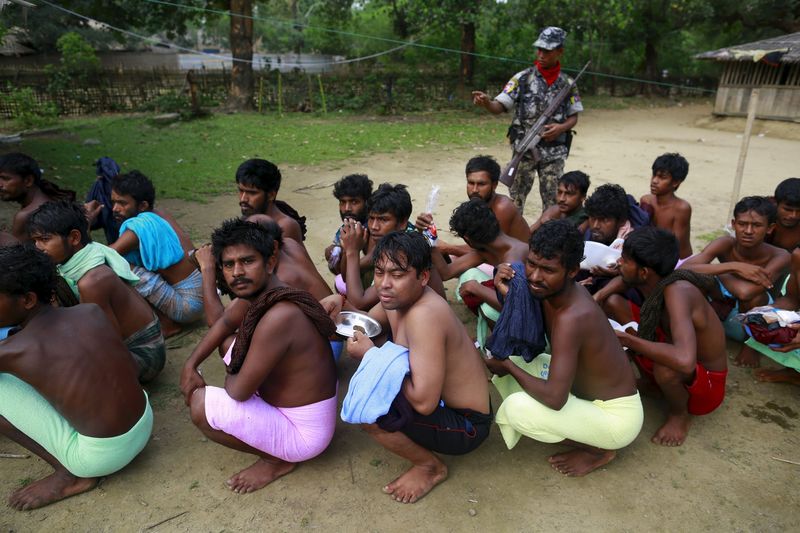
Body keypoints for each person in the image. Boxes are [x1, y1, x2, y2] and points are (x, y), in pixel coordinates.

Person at [180, 219, 337, 494]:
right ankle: (274, 448)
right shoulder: (264, 292)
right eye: (228, 265)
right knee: (230, 342)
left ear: (271, 259)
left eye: (247, 261)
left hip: (304, 433)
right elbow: (225, 323)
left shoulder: (280, 315)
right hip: (295, 408)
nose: (237, 272)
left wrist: (236, 362)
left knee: (200, 404)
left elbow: (239, 391)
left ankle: (276, 460)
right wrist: (191, 364)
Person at [485, 220, 642, 476]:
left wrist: (507, 367)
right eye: (531, 264)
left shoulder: (573, 316)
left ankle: (599, 449)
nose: (535, 276)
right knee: (519, 360)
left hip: (616, 419)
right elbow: (526, 321)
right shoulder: (552, 292)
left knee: (517, 408)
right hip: (585, 396)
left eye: (547, 269)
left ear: (572, 271)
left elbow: (555, 399)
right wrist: (506, 289)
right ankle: (583, 431)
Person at [343, 231, 491, 503]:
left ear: (422, 277)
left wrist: (371, 357)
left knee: (369, 409)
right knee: (372, 388)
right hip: (442, 403)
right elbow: (363, 324)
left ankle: (430, 467)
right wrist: (336, 306)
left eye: (397, 275)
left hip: (467, 425)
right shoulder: (396, 299)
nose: (384, 284)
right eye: (379, 272)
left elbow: (423, 403)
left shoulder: (425, 314)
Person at [0, 245, 152, 510]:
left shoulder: (16, 351)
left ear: (27, 300)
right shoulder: (89, 311)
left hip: (100, 457)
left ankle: (68, 475)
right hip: (144, 422)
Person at [608, 227, 727, 446]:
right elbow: (621, 283)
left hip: (707, 384)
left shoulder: (678, 291)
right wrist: (597, 297)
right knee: (615, 304)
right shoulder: (655, 279)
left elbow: (684, 360)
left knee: (666, 367)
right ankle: (651, 384)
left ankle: (679, 414)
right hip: (677, 352)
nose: (619, 263)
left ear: (644, 272)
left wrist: (627, 339)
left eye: (625, 260)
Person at [28, 201, 166, 383]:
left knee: (59, 367)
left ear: (74, 238)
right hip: (118, 341)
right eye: (35, 240)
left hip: (144, 353)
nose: (38, 247)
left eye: (44, 239)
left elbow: (107, 342)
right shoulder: (83, 255)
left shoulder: (92, 281)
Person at [472, 27, 583, 212]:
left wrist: (561, 128)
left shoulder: (568, 84)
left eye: (547, 50)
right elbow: (499, 106)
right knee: (514, 203)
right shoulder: (522, 78)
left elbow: (574, 117)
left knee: (554, 204)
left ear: (560, 51)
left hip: (554, 153)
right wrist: (487, 103)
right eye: (539, 49)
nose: (541, 54)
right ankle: (513, 238)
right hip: (524, 151)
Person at [682, 196, 790, 364]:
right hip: (719, 313)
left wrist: (716, 272)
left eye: (756, 225)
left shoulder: (780, 256)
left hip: (752, 320)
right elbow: (683, 269)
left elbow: (746, 293)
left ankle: (752, 346)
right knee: (691, 282)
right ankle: (696, 339)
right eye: (742, 224)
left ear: (770, 228)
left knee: (755, 297)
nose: (748, 231)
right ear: (733, 224)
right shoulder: (725, 244)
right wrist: (734, 266)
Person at [110, 170, 203, 337]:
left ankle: (166, 324)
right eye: (114, 202)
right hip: (205, 295)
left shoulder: (138, 228)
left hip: (187, 306)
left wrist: (85, 225)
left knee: (117, 265)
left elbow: (106, 254)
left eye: (122, 203)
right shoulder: (160, 215)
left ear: (142, 206)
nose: (115, 209)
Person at [195, 217, 332, 329]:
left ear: (271, 247)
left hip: (328, 342)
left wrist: (207, 269)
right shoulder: (290, 243)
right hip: (327, 332)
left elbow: (218, 323)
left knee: (228, 344)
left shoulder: (280, 280)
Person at [340, 183, 445, 310]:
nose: (374, 226)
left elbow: (359, 303)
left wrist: (352, 251)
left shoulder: (405, 249)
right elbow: (347, 276)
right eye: (371, 218)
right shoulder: (385, 239)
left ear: (402, 223)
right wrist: (348, 250)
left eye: (383, 220)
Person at [415, 155, 529, 256]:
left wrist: (448, 248)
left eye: (481, 184)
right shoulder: (477, 205)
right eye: (471, 183)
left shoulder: (502, 207)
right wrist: (423, 230)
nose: (474, 190)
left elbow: (490, 253)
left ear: (494, 185)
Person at [739, 247, 800, 382]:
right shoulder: (798, 255)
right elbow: (792, 299)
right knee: (772, 324)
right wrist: (765, 312)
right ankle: (795, 372)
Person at [0, 152, 76, 242]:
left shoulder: (25, 216)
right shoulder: (49, 200)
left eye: (5, 179)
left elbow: (14, 254)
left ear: (28, 181)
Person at [235, 158, 307, 243]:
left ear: (271, 195)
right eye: (241, 191)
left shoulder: (285, 227)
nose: (243, 199)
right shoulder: (247, 218)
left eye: (252, 193)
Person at [639, 153, 693, 259]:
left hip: (679, 261)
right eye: (654, 175)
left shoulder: (681, 208)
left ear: (676, 182)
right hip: (654, 254)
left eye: (662, 177)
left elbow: (675, 245)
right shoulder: (646, 200)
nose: (654, 181)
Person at [325, 173, 373, 276]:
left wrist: (350, 267)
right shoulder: (346, 229)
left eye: (354, 202)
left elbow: (375, 258)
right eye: (342, 202)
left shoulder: (375, 227)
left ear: (367, 202)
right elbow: (340, 272)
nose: (347, 208)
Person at [767, 178, 800, 252]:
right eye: (787, 209)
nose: (794, 216)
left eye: (799, 211)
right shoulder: (762, 214)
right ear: (775, 203)